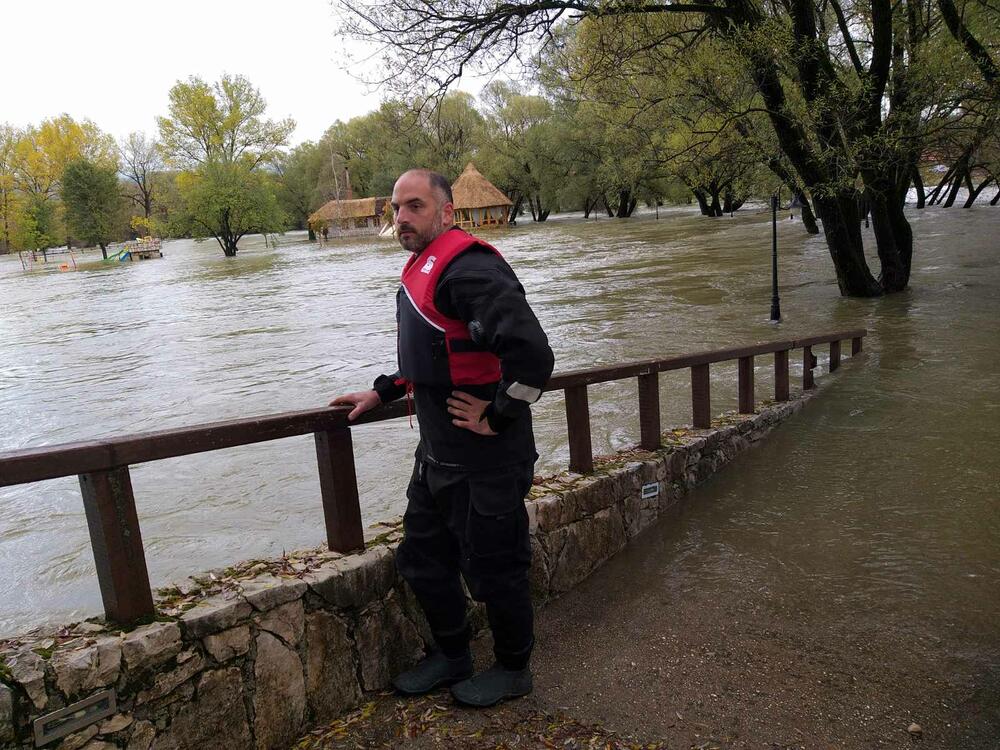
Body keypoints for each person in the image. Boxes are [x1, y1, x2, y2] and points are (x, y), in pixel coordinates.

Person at [331, 169, 554, 707]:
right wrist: (382, 392)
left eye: (415, 206)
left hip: (487, 459)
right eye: (396, 209)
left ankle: (512, 667)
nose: (402, 218)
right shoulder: (424, 269)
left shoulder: (469, 269)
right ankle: (453, 655)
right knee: (422, 559)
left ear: (447, 212)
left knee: (495, 568)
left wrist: (498, 414)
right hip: (436, 456)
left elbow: (534, 357)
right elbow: (436, 353)